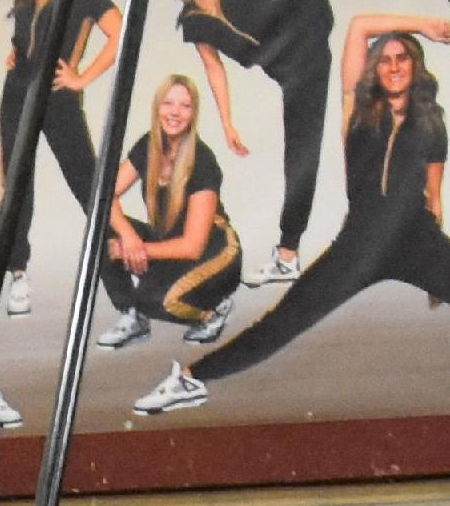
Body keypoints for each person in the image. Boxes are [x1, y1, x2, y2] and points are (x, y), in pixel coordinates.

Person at [148, 21, 450, 415]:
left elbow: (435, 197)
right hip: (359, 245)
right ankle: (190, 378)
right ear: (375, 68)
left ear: (415, 66)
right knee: (285, 321)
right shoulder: (357, 111)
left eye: (402, 59)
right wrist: (422, 26)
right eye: (386, 60)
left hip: (417, 240)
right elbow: (359, 27)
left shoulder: (432, 124)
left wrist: (436, 270)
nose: (394, 67)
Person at [174, 0, 333, 290]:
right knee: (300, 158)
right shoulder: (194, 18)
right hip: (297, 72)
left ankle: (287, 253)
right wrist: (227, 122)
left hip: (309, 24)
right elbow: (214, 68)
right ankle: (288, 256)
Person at [0, 0, 125, 314]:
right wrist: (16, 54)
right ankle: (17, 274)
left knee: (87, 184)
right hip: (17, 94)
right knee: (16, 184)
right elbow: (26, 39)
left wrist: (82, 78)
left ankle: (124, 293)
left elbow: (120, 32)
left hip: (57, 96)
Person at [93, 73, 243, 353]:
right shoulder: (149, 145)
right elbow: (104, 195)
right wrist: (129, 238)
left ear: (194, 113)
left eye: (185, 106)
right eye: (168, 103)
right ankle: (132, 316)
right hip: (169, 243)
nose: (175, 112)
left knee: (155, 300)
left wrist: (140, 251)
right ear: (157, 107)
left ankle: (214, 309)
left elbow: (192, 246)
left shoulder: (202, 162)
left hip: (215, 254)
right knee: (100, 232)